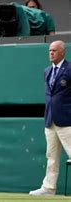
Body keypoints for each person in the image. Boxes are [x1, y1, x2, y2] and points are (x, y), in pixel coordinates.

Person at [29, 40, 71, 196]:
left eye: (54, 50)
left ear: (62, 52)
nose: (51, 53)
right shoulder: (47, 71)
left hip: (67, 120)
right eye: (49, 50)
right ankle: (48, 188)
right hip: (50, 120)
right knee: (51, 156)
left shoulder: (70, 69)